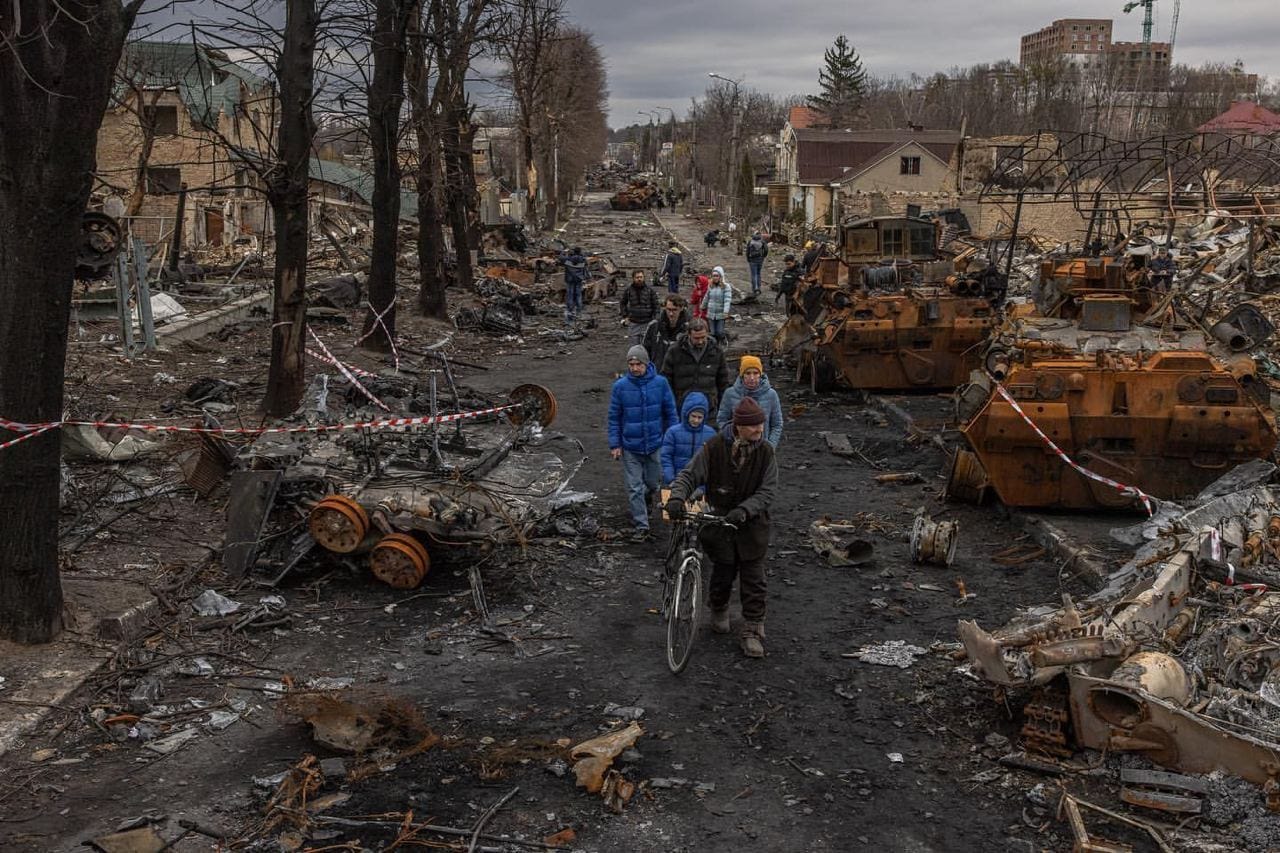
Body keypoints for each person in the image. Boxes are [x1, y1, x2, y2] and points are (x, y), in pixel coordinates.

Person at [666, 397, 777, 658]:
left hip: (752, 525)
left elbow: (768, 491)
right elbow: (689, 475)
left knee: (754, 580)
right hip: (720, 524)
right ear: (739, 426)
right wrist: (677, 497)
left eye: (761, 424)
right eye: (754, 425)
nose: (760, 429)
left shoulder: (766, 452)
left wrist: (745, 510)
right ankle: (718, 608)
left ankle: (752, 631)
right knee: (722, 572)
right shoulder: (714, 447)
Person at [608, 344, 678, 541]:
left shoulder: (660, 383)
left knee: (653, 484)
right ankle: (642, 526)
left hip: (655, 443)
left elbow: (670, 412)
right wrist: (615, 444)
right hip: (630, 445)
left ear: (646, 364)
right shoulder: (620, 387)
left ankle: (647, 497)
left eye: (638, 364)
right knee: (634, 487)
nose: (635, 368)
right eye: (631, 364)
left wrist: (673, 438)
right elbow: (614, 417)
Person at [661, 317, 731, 415]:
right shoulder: (674, 351)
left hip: (710, 409)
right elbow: (666, 379)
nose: (700, 341)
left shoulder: (717, 352)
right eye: (696, 338)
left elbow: (723, 381)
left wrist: (722, 407)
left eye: (703, 337)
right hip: (682, 408)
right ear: (689, 335)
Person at [717, 355, 783, 447]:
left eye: (755, 373)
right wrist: (731, 440)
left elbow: (777, 424)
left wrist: (770, 446)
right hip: (736, 447)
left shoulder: (771, 395)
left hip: (762, 449)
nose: (752, 377)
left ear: (760, 374)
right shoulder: (730, 394)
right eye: (748, 373)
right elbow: (722, 420)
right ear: (742, 375)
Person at [660, 391, 716, 486]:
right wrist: (670, 479)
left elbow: (713, 461)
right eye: (693, 416)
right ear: (686, 414)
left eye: (700, 417)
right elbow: (666, 457)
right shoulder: (672, 432)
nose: (696, 420)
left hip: (700, 485)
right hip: (675, 482)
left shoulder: (711, 434)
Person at [643, 295, 688, 373]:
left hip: (680, 374)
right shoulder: (654, 326)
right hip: (657, 372)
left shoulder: (688, 329)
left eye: (674, 310)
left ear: (681, 308)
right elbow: (645, 350)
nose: (671, 313)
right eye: (668, 309)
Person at [619, 269, 659, 346]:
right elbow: (623, 303)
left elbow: (656, 306)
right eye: (637, 277)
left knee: (646, 347)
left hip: (647, 323)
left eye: (641, 277)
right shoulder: (628, 290)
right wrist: (625, 316)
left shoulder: (650, 291)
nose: (639, 279)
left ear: (644, 278)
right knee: (634, 347)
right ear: (633, 278)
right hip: (633, 323)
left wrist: (655, 319)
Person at [701, 266, 732, 345]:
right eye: (713, 276)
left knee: (719, 332)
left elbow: (727, 300)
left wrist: (726, 311)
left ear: (720, 276)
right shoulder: (710, 286)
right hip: (711, 313)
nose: (715, 277)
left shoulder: (726, 287)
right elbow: (706, 297)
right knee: (712, 332)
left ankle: (724, 339)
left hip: (721, 314)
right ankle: (715, 346)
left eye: (716, 276)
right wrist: (703, 306)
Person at [562, 246, 587, 322]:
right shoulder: (583, 260)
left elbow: (560, 258)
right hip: (579, 279)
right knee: (578, 294)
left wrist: (564, 252)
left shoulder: (568, 260)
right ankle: (579, 309)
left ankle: (570, 309)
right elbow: (585, 264)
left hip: (570, 280)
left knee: (570, 294)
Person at [745, 231, 768, 295]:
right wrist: (763, 256)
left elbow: (747, 251)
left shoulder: (750, 241)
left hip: (752, 260)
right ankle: (759, 288)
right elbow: (766, 249)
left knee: (753, 274)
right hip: (760, 259)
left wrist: (748, 258)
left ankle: (755, 288)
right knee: (758, 273)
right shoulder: (762, 241)